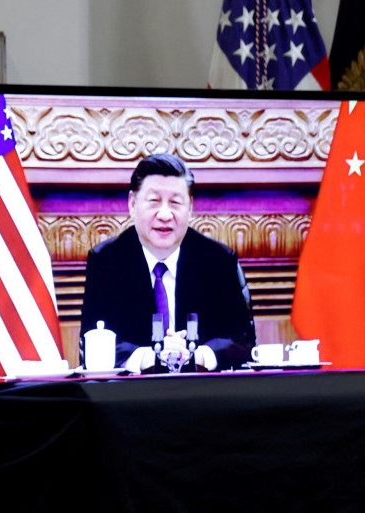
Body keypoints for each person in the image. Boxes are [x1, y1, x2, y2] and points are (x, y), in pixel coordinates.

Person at [80, 153, 255, 372]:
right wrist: (149, 357)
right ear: (132, 204)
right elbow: (92, 342)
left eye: (175, 202)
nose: (165, 214)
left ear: (190, 207)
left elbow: (243, 340)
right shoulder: (107, 261)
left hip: (206, 395)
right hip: (130, 398)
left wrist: (196, 355)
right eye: (154, 201)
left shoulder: (217, 260)